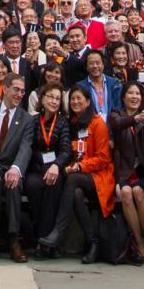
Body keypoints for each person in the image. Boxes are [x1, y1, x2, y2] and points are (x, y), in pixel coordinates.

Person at [37, 85, 115, 263]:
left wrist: (79, 167)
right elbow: (74, 153)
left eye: (80, 98)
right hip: (81, 178)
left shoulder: (98, 123)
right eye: (72, 98)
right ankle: (93, 242)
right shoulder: (71, 123)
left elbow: (103, 159)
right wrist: (69, 166)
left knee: (72, 180)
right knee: (76, 194)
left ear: (88, 102)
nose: (75, 102)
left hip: (99, 176)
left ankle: (59, 231)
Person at [0, 72, 34, 263]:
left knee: (13, 183)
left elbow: (26, 147)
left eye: (23, 91)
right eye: (16, 90)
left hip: (11, 168)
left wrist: (16, 168)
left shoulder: (26, 119)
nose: (20, 94)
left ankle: (13, 239)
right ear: (5, 88)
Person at [109, 81, 144, 264]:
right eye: (130, 93)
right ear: (123, 97)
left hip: (142, 170)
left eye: (138, 93)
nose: (134, 97)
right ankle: (139, 244)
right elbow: (118, 124)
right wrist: (137, 119)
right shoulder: (116, 114)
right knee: (126, 193)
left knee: (138, 192)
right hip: (123, 170)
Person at [24, 81, 71, 257]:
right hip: (36, 168)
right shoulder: (33, 121)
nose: (53, 101)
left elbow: (66, 150)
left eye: (57, 98)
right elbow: (29, 146)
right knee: (33, 186)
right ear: (42, 99)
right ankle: (47, 241)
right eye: (50, 96)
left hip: (55, 168)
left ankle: (43, 242)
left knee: (53, 185)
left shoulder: (63, 122)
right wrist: (41, 166)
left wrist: (56, 165)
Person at [75, 49, 123, 121]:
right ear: (87, 67)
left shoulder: (115, 84)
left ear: (103, 65)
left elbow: (119, 108)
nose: (95, 66)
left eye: (98, 63)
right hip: (91, 127)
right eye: (91, 63)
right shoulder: (80, 87)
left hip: (113, 128)